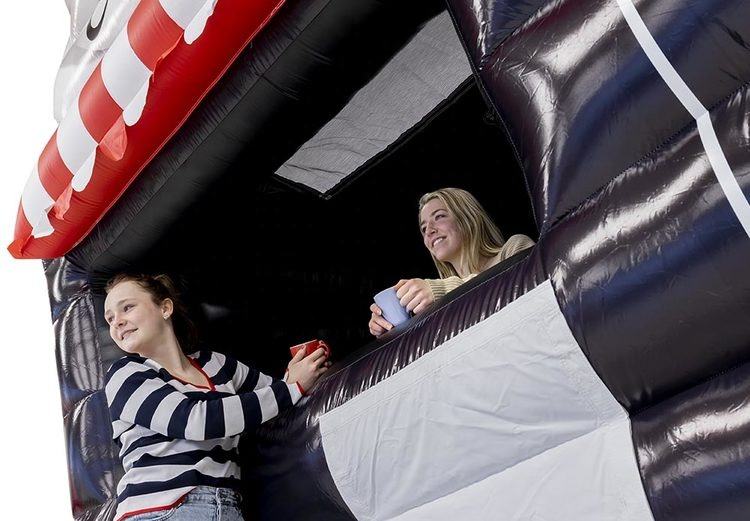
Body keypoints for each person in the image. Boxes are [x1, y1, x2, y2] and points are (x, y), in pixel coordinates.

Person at [103, 273, 329, 521]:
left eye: (127, 307)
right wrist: (292, 387)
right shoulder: (125, 374)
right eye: (110, 318)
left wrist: (303, 369)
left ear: (165, 308)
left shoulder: (215, 364)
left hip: (226, 507)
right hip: (157, 512)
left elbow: (275, 396)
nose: (117, 322)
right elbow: (194, 420)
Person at [369, 187, 535, 337]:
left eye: (439, 216)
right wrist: (389, 327)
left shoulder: (514, 248)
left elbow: (520, 294)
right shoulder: (433, 299)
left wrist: (443, 291)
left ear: (469, 217)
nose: (430, 231)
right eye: (424, 228)